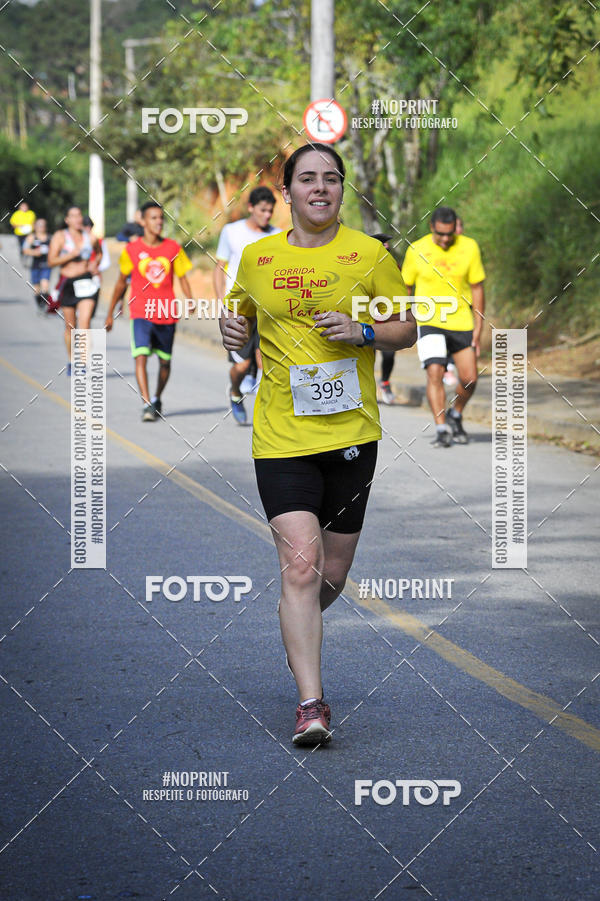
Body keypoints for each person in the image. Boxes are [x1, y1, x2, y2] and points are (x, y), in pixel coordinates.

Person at [220, 143, 416, 746]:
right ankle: (311, 702)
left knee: (330, 573)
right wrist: (231, 329)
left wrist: (362, 331)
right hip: (281, 436)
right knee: (301, 565)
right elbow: (237, 318)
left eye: (331, 179)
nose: (321, 188)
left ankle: (295, 620)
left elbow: (406, 326)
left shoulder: (368, 254)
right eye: (307, 179)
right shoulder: (257, 257)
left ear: (341, 190)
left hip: (352, 435)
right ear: (287, 191)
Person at [401, 206, 485, 447]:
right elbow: (406, 288)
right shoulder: (417, 249)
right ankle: (441, 428)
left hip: (461, 320)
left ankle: (455, 413)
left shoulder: (469, 247)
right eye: (441, 234)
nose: (446, 239)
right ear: (432, 228)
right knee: (435, 372)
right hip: (429, 321)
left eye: (450, 234)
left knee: (469, 378)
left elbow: (477, 287)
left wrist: (479, 327)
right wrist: (406, 321)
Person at [105, 201, 193, 421]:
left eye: (161, 218)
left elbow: (182, 277)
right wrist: (110, 312)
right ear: (143, 221)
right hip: (140, 312)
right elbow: (120, 283)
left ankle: (156, 397)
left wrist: (190, 300)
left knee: (165, 362)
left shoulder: (173, 248)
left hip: (166, 312)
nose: (159, 222)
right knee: (141, 355)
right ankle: (146, 404)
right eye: (153, 218)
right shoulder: (131, 250)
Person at [214, 187, 281, 424]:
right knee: (241, 366)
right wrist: (222, 304)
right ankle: (234, 393)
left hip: (267, 311)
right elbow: (220, 268)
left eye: (270, 211)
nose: (267, 215)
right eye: (262, 210)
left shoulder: (278, 235)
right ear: (251, 208)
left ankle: (269, 415)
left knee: (266, 360)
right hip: (238, 310)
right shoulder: (231, 232)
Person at [47, 206, 102, 375]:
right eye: (73, 216)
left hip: (86, 283)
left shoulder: (90, 238)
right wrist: (70, 255)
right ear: (67, 220)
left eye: (79, 215)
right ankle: (71, 359)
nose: (77, 219)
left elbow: (99, 253)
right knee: (70, 326)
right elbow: (51, 261)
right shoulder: (60, 237)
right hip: (68, 283)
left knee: (84, 324)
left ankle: (83, 363)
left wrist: (94, 264)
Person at [371, 233, 399, 404]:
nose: (386, 247)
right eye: (382, 244)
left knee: (389, 355)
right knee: (368, 355)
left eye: (387, 244)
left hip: (388, 317)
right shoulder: (362, 264)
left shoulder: (393, 264)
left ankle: (385, 383)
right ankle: (368, 387)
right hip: (367, 318)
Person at [22, 218, 51, 311]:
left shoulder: (50, 238)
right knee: (37, 289)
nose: (41, 228)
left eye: (43, 226)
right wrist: (35, 252)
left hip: (46, 265)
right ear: (35, 227)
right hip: (35, 265)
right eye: (39, 226)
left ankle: (44, 305)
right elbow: (25, 250)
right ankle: (39, 304)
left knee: (45, 286)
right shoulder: (31, 237)